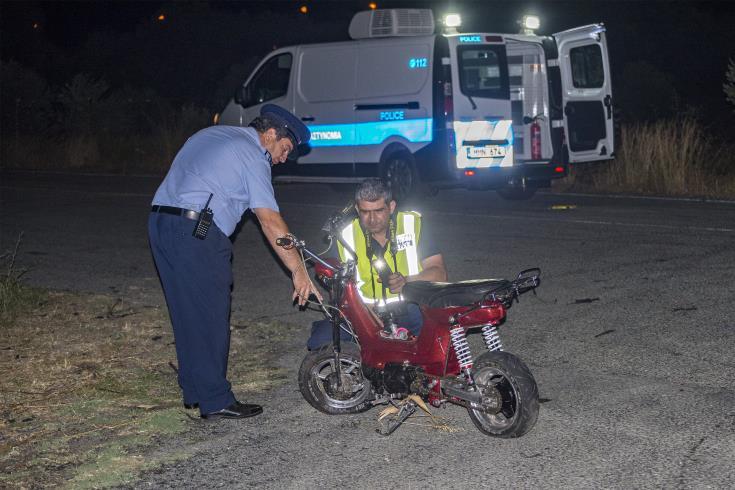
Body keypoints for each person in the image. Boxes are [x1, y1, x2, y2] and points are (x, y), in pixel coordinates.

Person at [148, 104, 321, 420]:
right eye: (285, 149)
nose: (283, 158)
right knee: (212, 313)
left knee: (186, 311)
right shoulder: (252, 154)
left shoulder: (211, 134)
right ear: (269, 134)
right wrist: (299, 270)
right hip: (196, 231)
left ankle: (195, 391)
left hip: (160, 223)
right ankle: (215, 400)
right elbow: (269, 219)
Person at [307, 178, 447, 350]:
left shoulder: (412, 224)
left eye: (379, 210)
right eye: (365, 212)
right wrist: (363, 311)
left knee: (437, 345)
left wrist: (406, 281)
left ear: (392, 207)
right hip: (365, 311)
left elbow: (439, 273)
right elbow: (337, 289)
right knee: (320, 342)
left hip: (410, 307)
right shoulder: (346, 234)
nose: (372, 219)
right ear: (357, 209)